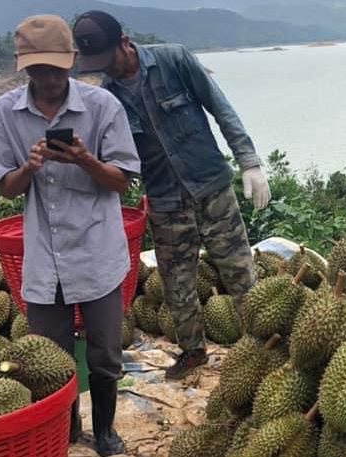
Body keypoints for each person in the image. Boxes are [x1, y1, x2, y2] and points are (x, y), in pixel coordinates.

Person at [72, 10, 271, 380]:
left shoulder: (173, 60)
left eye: (108, 59)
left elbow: (220, 108)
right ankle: (193, 351)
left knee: (240, 273)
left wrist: (249, 162)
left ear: (125, 42)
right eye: (96, 64)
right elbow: (116, 160)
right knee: (176, 283)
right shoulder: (108, 98)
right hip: (164, 200)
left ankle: (263, 347)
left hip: (211, 187)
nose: (106, 70)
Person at [0, 15, 140, 456]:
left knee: (106, 355)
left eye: (56, 68)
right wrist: (28, 168)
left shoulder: (102, 107)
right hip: (44, 258)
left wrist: (85, 160)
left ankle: (105, 432)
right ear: (23, 67)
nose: (48, 78)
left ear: (71, 62)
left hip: (97, 251)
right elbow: (5, 188)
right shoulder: (5, 114)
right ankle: (67, 430)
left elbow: (122, 181)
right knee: (49, 360)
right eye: (38, 69)